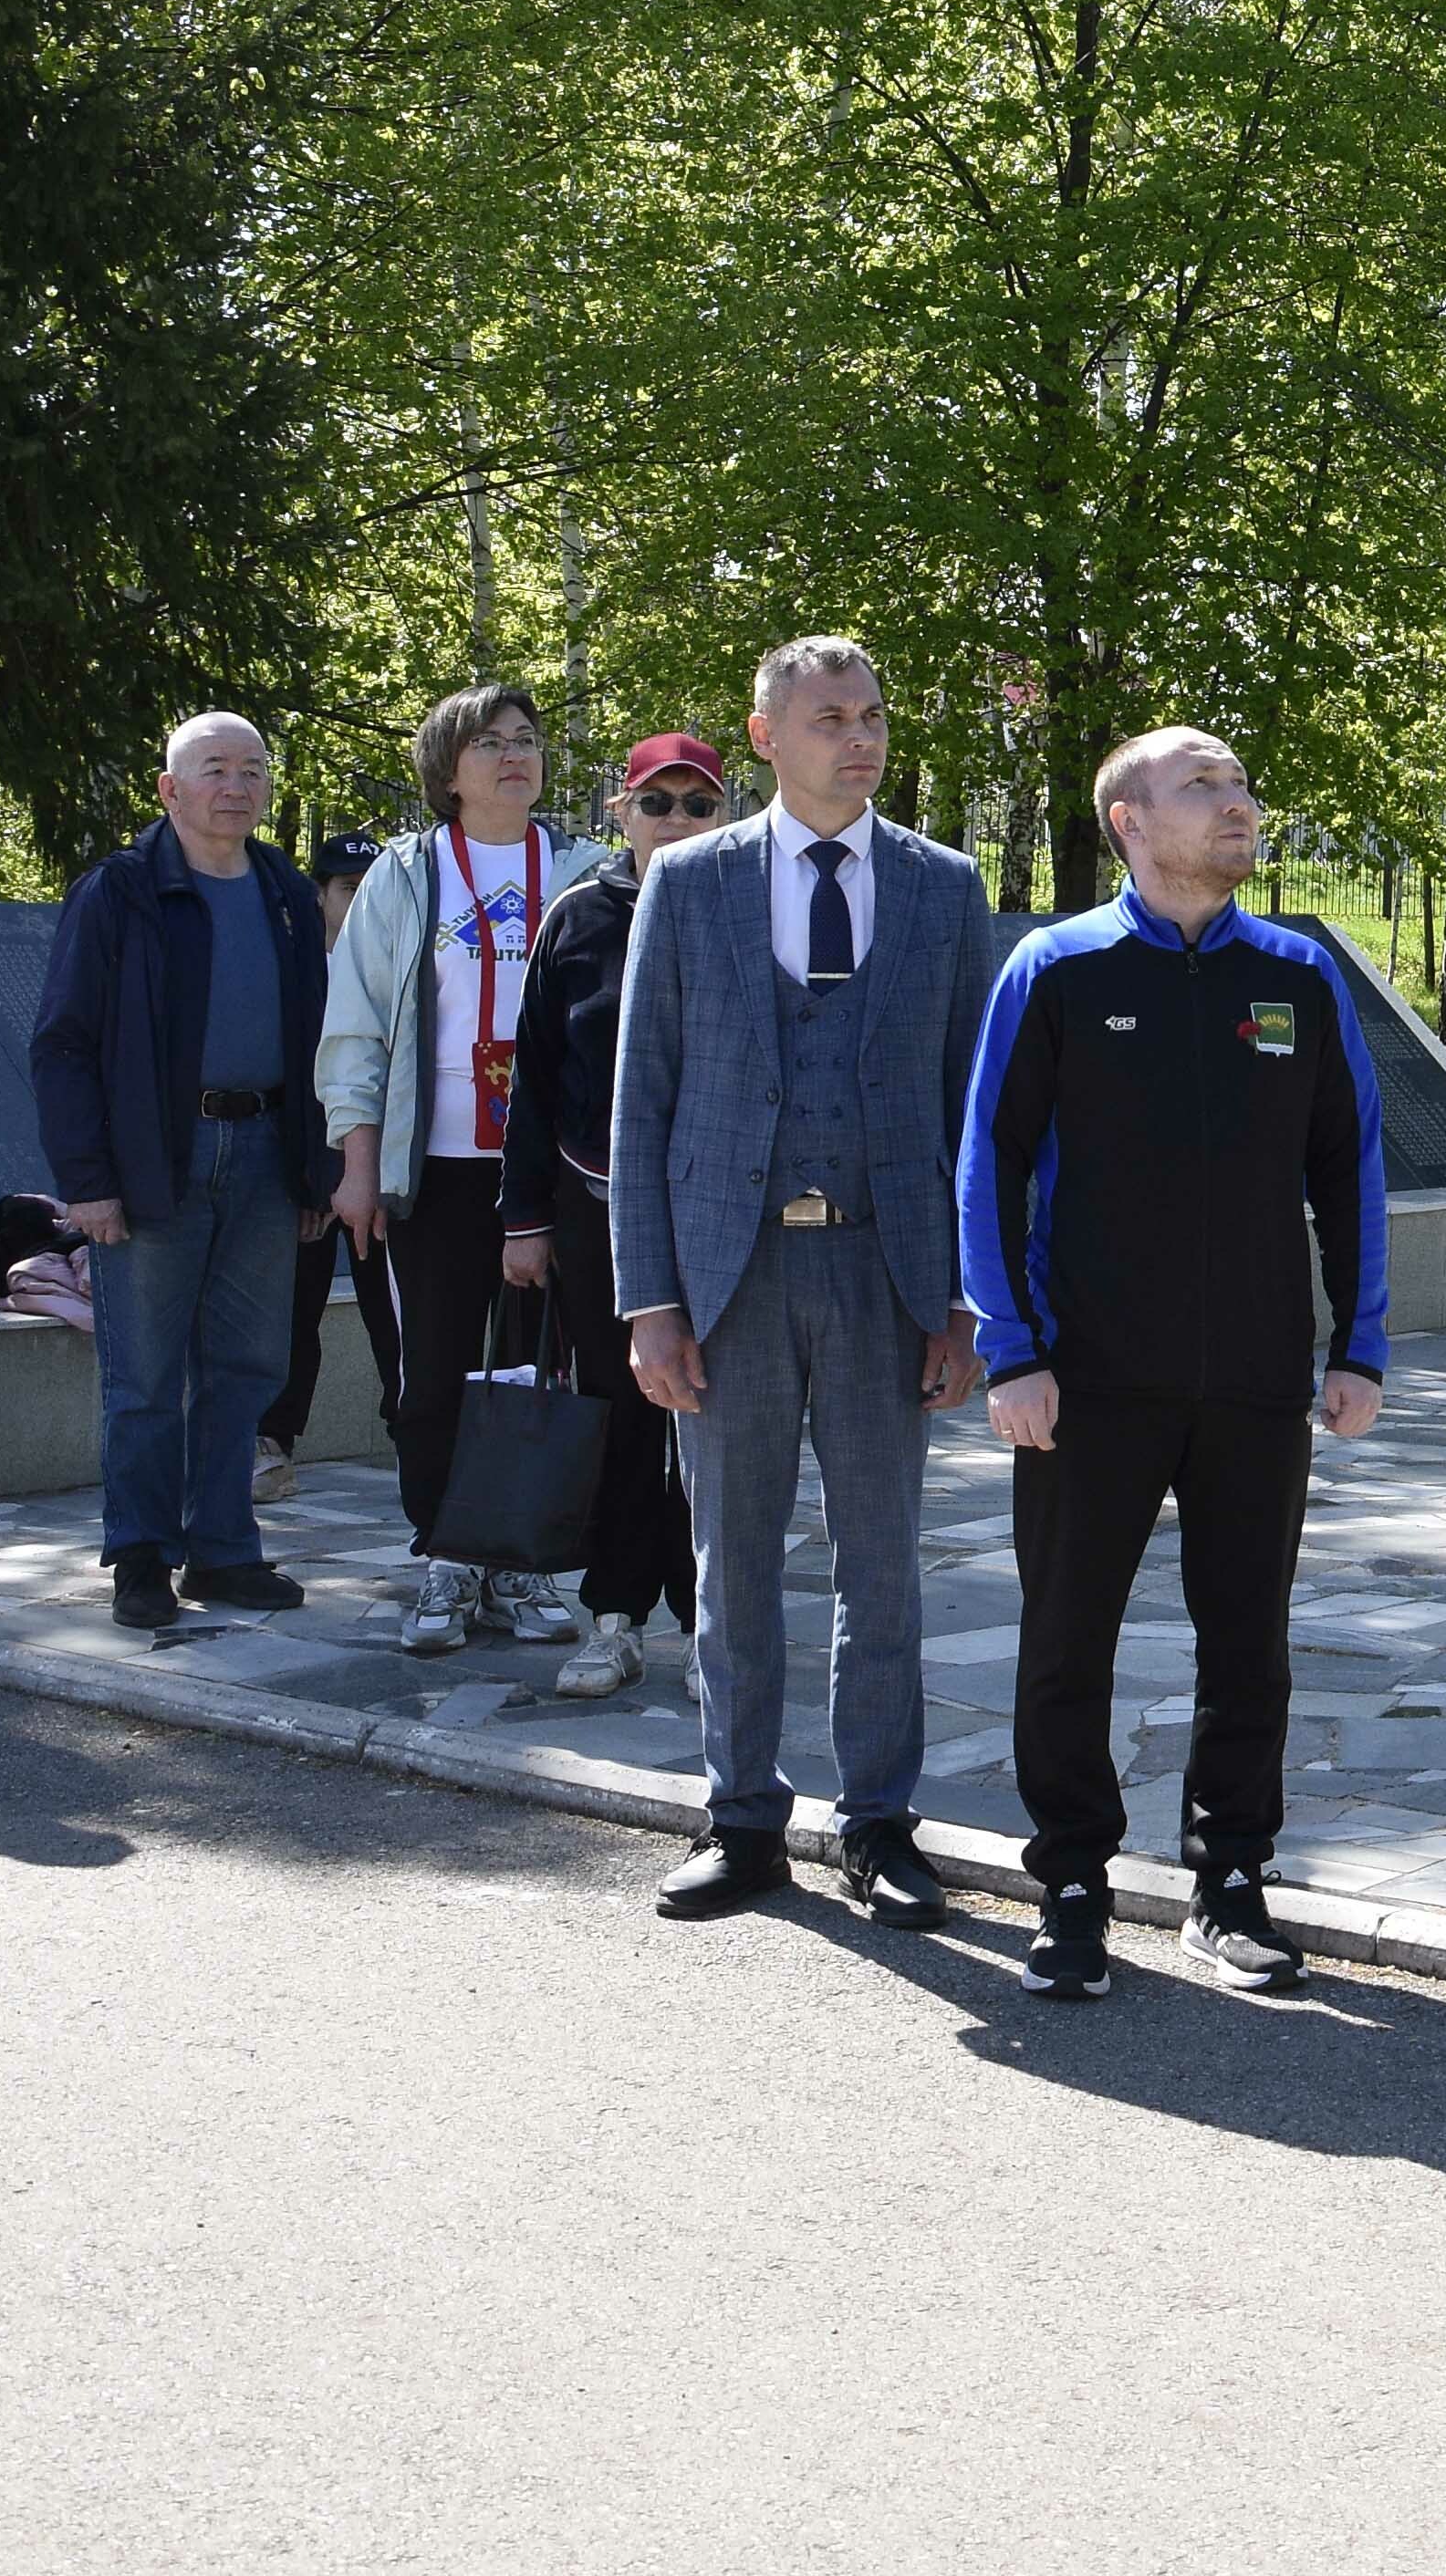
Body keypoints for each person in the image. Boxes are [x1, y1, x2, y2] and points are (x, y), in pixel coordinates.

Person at [967, 726, 1392, 2000]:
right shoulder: (1053, 970)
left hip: (1256, 1377)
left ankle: (1230, 1883)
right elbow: (985, 1165)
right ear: (1129, 822)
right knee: (1066, 1637)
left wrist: (1358, 1339)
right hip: (1086, 1377)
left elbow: (1349, 1169)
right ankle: (1075, 1884)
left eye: (1242, 784)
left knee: (1248, 1641)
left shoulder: (1300, 979)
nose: (1238, 802)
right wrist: (1011, 1351)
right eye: (1203, 786)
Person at [613, 636, 990, 1927]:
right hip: (733, 1270)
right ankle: (742, 1820)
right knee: (734, 1563)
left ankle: (880, 1825)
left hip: (887, 1269)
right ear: (766, 734)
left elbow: (968, 1111)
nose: (861, 736)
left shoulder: (944, 888)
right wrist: (648, 1300)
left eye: (874, 715)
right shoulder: (693, 883)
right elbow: (642, 1101)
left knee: (883, 1565)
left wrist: (967, 1299)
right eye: (831, 716)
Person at [317, 683, 602, 1654]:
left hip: (550, 1171)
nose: (515, 756)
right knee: (434, 1372)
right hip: (432, 1165)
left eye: (526, 740)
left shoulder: (581, 869)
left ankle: (517, 1565)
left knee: (533, 1373)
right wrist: (358, 1166)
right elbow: (354, 1032)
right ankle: (443, 1556)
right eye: (490, 743)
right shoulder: (404, 876)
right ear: (447, 769)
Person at [31, 713, 327, 1629]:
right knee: (146, 1376)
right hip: (158, 1158)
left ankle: (224, 1549)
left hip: (267, 1153)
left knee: (245, 1369)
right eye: (213, 770)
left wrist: (313, 1170)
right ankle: (142, 1556)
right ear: (169, 789)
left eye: (251, 770)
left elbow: (322, 1034)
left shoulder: (282, 887)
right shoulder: (120, 891)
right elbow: (64, 1045)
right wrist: (90, 1180)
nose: (235, 786)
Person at [495, 733, 722, 1695]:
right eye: (656, 802)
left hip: (721, 1206)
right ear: (620, 813)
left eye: (696, 803)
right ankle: (616, 1614)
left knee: (721, 1422)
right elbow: (536, 1076)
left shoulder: (744, 905)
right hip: (595, 1203)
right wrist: (524, 1218)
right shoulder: (575, 919)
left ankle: (720, 1626)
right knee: (622, 1413)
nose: (675, 820)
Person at [263, 831, 394, 1502]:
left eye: (370, 888)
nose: (360, 901)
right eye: (347, 888)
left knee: (397, 1319)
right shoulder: (293, 973)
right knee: (291, 1315)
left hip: (390, 1182)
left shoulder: (401, 967)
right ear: (320, 896)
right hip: (308, 1182)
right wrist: (312, 1179)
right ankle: (272, 1443)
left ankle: (415, 1437)